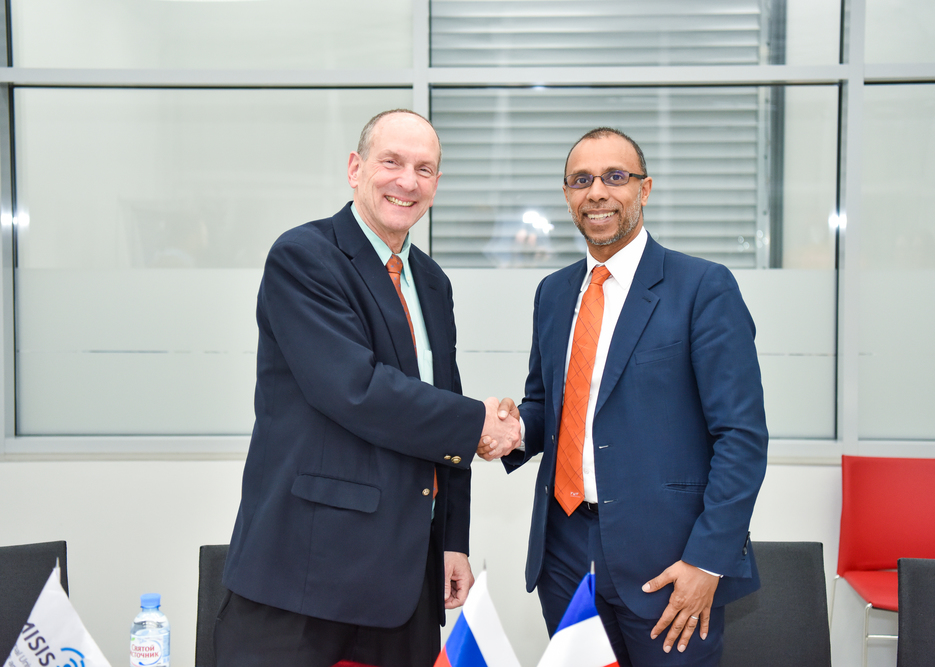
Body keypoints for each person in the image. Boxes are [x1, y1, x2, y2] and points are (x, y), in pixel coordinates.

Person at [216, 109, 521, 667]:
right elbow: (354, 390)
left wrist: (452, 539)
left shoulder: (432, 282)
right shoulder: (305, 257)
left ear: (436, 184)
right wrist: (479, 421)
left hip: (406, 580)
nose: (407, 181)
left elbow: (441, 407)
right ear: (356, 168)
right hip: (306, 574)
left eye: (424, 169)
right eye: (392, 162)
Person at [481, 127, 768, 666]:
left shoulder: (703, 287)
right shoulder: (553, 293)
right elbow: (548, 405)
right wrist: (513, 429)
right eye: (581, 180)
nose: (597, 192)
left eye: (615, 177)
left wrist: (707, 562)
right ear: (567, 194)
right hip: (565, 554)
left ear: (645, 188)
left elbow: (741, 437)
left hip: (669, 561)